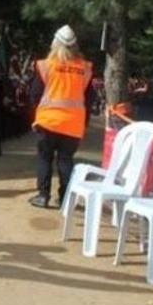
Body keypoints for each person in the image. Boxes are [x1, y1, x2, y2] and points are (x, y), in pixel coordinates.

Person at [29, 25, 93, 208]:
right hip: (73, 125)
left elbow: (34, 94)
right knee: (66, 160)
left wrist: (38, 114)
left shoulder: (46, 66)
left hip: (48, 122)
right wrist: (84, 122)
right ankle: (65, 198)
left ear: (54, 43)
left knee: (44, 158)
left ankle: (43, 196)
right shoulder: (85, 68)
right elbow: (89, 100)